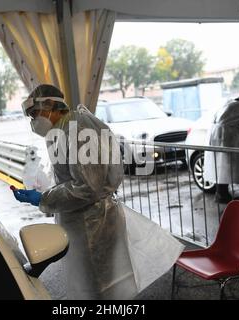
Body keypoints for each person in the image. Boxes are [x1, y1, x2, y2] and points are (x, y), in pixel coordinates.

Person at [13, 84, 183, 299]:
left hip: (93, 222)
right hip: (83, 220)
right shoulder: (65, 129)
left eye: (34, 114)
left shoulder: (78, 129)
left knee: (100, 284)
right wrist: (46, 193)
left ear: (49, 106)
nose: (33, 122)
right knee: (90, 284)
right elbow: (75, 178)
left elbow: (87, 187)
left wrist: (44, 198)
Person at [203, 91, 239, 203]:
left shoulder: (228, 103)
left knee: (220, 165)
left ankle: (220, 193)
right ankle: (222, 195)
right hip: (226, 134)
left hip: (215, 133)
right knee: (226, 165)